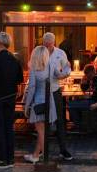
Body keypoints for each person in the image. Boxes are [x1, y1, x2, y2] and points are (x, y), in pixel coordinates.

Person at [0, 32, 23, 169]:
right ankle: (10, 157)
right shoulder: (14, 60)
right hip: (10, 99)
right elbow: (19, 79)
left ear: (0, 43)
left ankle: (3, 159)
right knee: (8, 128)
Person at [42, 32, 73, 161]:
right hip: (42, 91)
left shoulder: (60, 53)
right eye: (46, 45)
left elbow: (67, 67)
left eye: (50, 45)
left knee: (60, 120)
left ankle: (63, 149)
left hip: (55, 90)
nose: (48, 47)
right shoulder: (38, 52)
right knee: (43, 121)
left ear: (54, 42)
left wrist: (64, 75)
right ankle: (42, 150)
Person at [23, 45, 57, 164]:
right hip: (49, 101)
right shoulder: (50, 66)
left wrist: (26, 105)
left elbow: (31, 88)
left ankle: (46, 159)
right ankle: (36, 155)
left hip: (38, 103)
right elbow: (59, 74)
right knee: (43, 130)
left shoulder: (33, 69)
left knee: (41, 131)